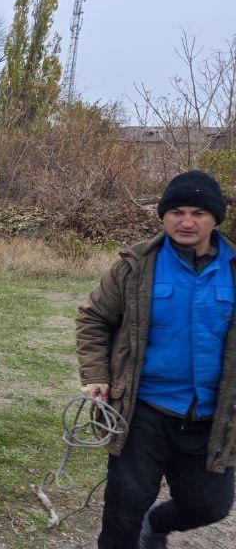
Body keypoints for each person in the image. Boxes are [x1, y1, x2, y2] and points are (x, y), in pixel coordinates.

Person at [76, 170, 236, 548]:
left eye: (198, 212)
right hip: (142, 410)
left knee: (209, 506)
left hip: (212, 417)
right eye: (176, 211)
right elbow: (94, 317)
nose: (186, 221)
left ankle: (158, 523)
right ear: (163, 215)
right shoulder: (135, 267)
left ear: (215, 218)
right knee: (123, 509)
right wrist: (96, 372)